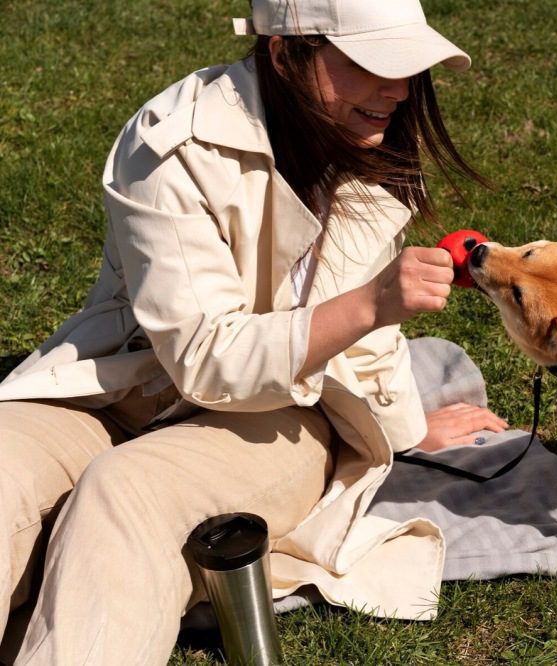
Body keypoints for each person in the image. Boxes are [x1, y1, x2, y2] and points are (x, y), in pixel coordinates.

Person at [0, 0, 508, 662]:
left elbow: (372, 341)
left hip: (286, 417)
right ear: (282, 53)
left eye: (406, 64)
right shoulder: (171, 145)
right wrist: (370, 303)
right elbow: (205, 359)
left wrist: (406, 432)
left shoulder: (372, 146)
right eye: (367, 63)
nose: (399, 89)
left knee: (126, 493)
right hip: (135, 380)